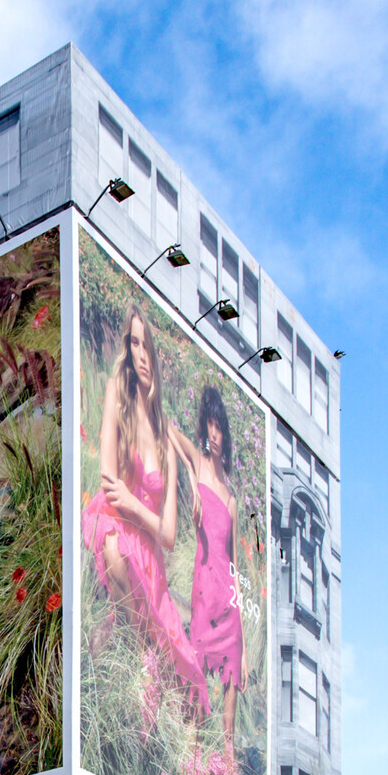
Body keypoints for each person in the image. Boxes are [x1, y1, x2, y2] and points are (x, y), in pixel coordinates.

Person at [81, 304, 207, 712]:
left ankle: (130, 690)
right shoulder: (119, 392)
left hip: (150, 552)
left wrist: (187, 476)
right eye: (134, 343)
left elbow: (168, 536)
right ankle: (115, 692)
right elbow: (107, 480)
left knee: (186, 679)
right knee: (117, 553)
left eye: (147, 345)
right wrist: (134, 509)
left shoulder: (165, 431)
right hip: (117, 526)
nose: (140, 354)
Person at [172, 383, 245, 745]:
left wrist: (244, 649)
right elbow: (167, 428)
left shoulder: (231, 499)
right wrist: (188, 470)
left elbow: (235, 570)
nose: (214, 434)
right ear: (204, 426)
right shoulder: (199, 465)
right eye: (210, 425)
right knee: (195, 711)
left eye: (220, 428)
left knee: (228, 735)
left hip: (229, 610)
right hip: (203, 600)